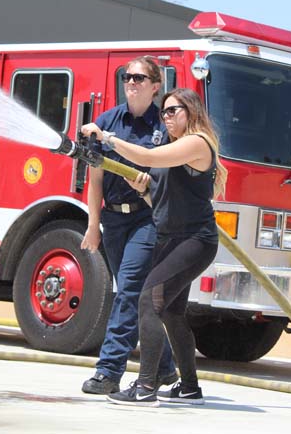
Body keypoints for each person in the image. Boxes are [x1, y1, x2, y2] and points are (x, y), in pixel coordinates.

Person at [82, 87, 228, 407]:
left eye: (173, 111)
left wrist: (107, 137)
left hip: (194, 240)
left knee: (148, 300)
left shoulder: (197, 143)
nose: (167, 118)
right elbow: (161, 199)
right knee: (173, 313)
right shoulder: (176, 149)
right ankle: (189, 387)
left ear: (192, 113)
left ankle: (146, 386)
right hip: (171, 239)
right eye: (164, 113)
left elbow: (146, 156)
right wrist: (143, 190)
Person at [80, 56, 177, 395]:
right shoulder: (107, 121)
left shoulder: (163, 129)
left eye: (139, 77)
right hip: (114, 220)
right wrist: (93, 226)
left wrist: (149, 182)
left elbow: (170, 177)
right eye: (126, 76)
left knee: (130, 290)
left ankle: (108, 371)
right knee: (136, 298)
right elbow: (95, 179)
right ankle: (165, 368)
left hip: (147, 219)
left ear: (155, 86)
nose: (131, 82)